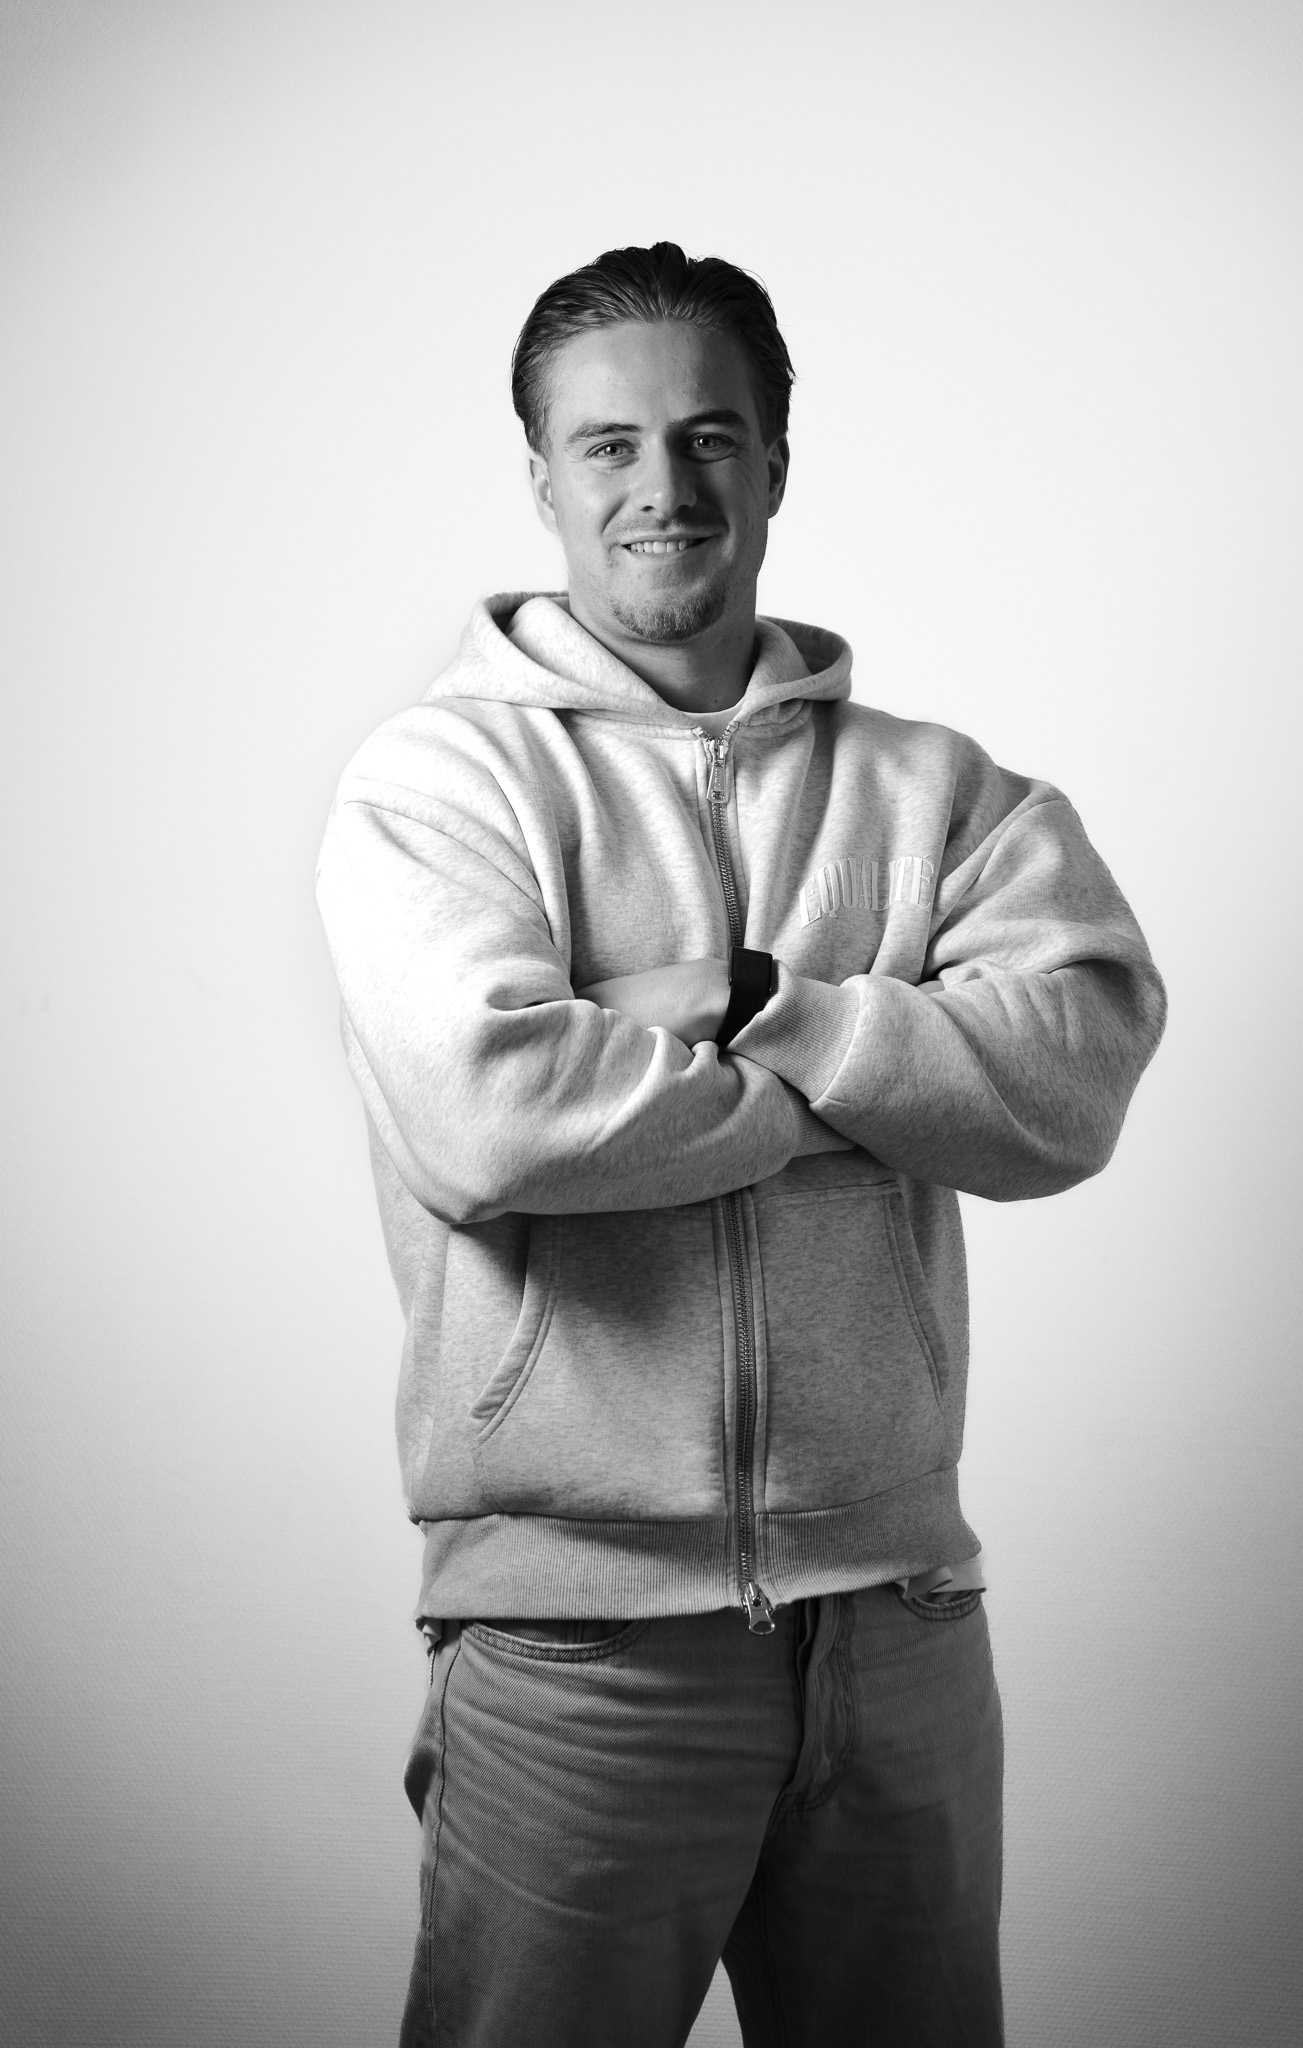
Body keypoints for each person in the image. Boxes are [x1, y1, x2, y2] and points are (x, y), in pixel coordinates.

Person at [316, 241, 1166, 2048]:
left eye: (709, 437)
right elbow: (494, 1119)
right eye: (608, 444)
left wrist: (752, 999)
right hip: (580, 1651)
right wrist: (887, 1072)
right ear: (541, 477)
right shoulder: (442, 785)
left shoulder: (941, 794)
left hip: (902, 1625)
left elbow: (1071, 1084)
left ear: (777, 461)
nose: (664, 486)